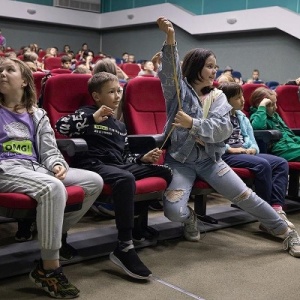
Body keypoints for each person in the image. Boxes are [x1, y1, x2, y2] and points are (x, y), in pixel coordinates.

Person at [156, 16, 300, 257]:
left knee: (247, 197)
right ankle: (190, 218)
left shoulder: (219, 97)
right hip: (179, 161)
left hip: (211, 161)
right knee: (172, 211)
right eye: (210, 66)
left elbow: (222, 130)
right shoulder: (178, 91)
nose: (215, 70)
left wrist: (192, 123)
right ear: (196, 66)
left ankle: (286, 232)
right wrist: (170, 38)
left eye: (215, 66)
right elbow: (169, 71)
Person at [0, 57, 103, 298]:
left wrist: (56, 163)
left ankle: (52, 232)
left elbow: (48, 150)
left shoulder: (37, 114)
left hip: (35, 167)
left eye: (9, 70)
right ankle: (49, 269)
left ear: (25, 80)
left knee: (93, 181)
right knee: (53, 188)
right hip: (5, 167)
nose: (2, 74)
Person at [55, 71, 173, 279]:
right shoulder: (86, 113)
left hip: (118, 166)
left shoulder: (119, 126)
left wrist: (142, 159)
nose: (117, 95)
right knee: (125, 179)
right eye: (111, 92)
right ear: (97, 96)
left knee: (164, 172)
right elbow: (61, 126)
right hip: (92, 165)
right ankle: (124, 246)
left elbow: (125, 155)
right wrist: (92, 118)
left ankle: (137, 223)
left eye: (119, 91)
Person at [218, 82, 294, 229]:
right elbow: (213, 142)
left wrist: (253, 148)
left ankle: (277, 208)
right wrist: (230, 149)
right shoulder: (218, 117)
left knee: (281, 163)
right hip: (227, 154)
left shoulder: (242, 117)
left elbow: (251, 141)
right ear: (226, 101)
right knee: (262, 164)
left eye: (242, 96)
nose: (242, 100)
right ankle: (266, 216)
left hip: (244, 153)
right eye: (238, 98)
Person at [249, 86, 300, 161]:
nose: (276, 107)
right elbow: (258, 127)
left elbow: (289, 133)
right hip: (282, 149)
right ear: (258, 105)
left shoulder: (275, 115)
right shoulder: (256, 116)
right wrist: (262, 107)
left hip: (292, 145)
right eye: (272, 105)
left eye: (275, 103)